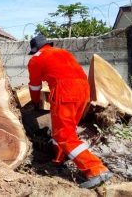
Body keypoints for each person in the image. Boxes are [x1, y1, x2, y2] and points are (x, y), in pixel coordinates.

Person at [27, 34, 113, 189]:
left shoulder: (36, 59)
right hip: (84, 90)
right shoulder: (63, 52)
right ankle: (58, 160)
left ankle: (96, 169)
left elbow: (34, 86)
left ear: (35, 49)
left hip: (65, 92)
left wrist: (35, 102)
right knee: (68, 129)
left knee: (64, 135)